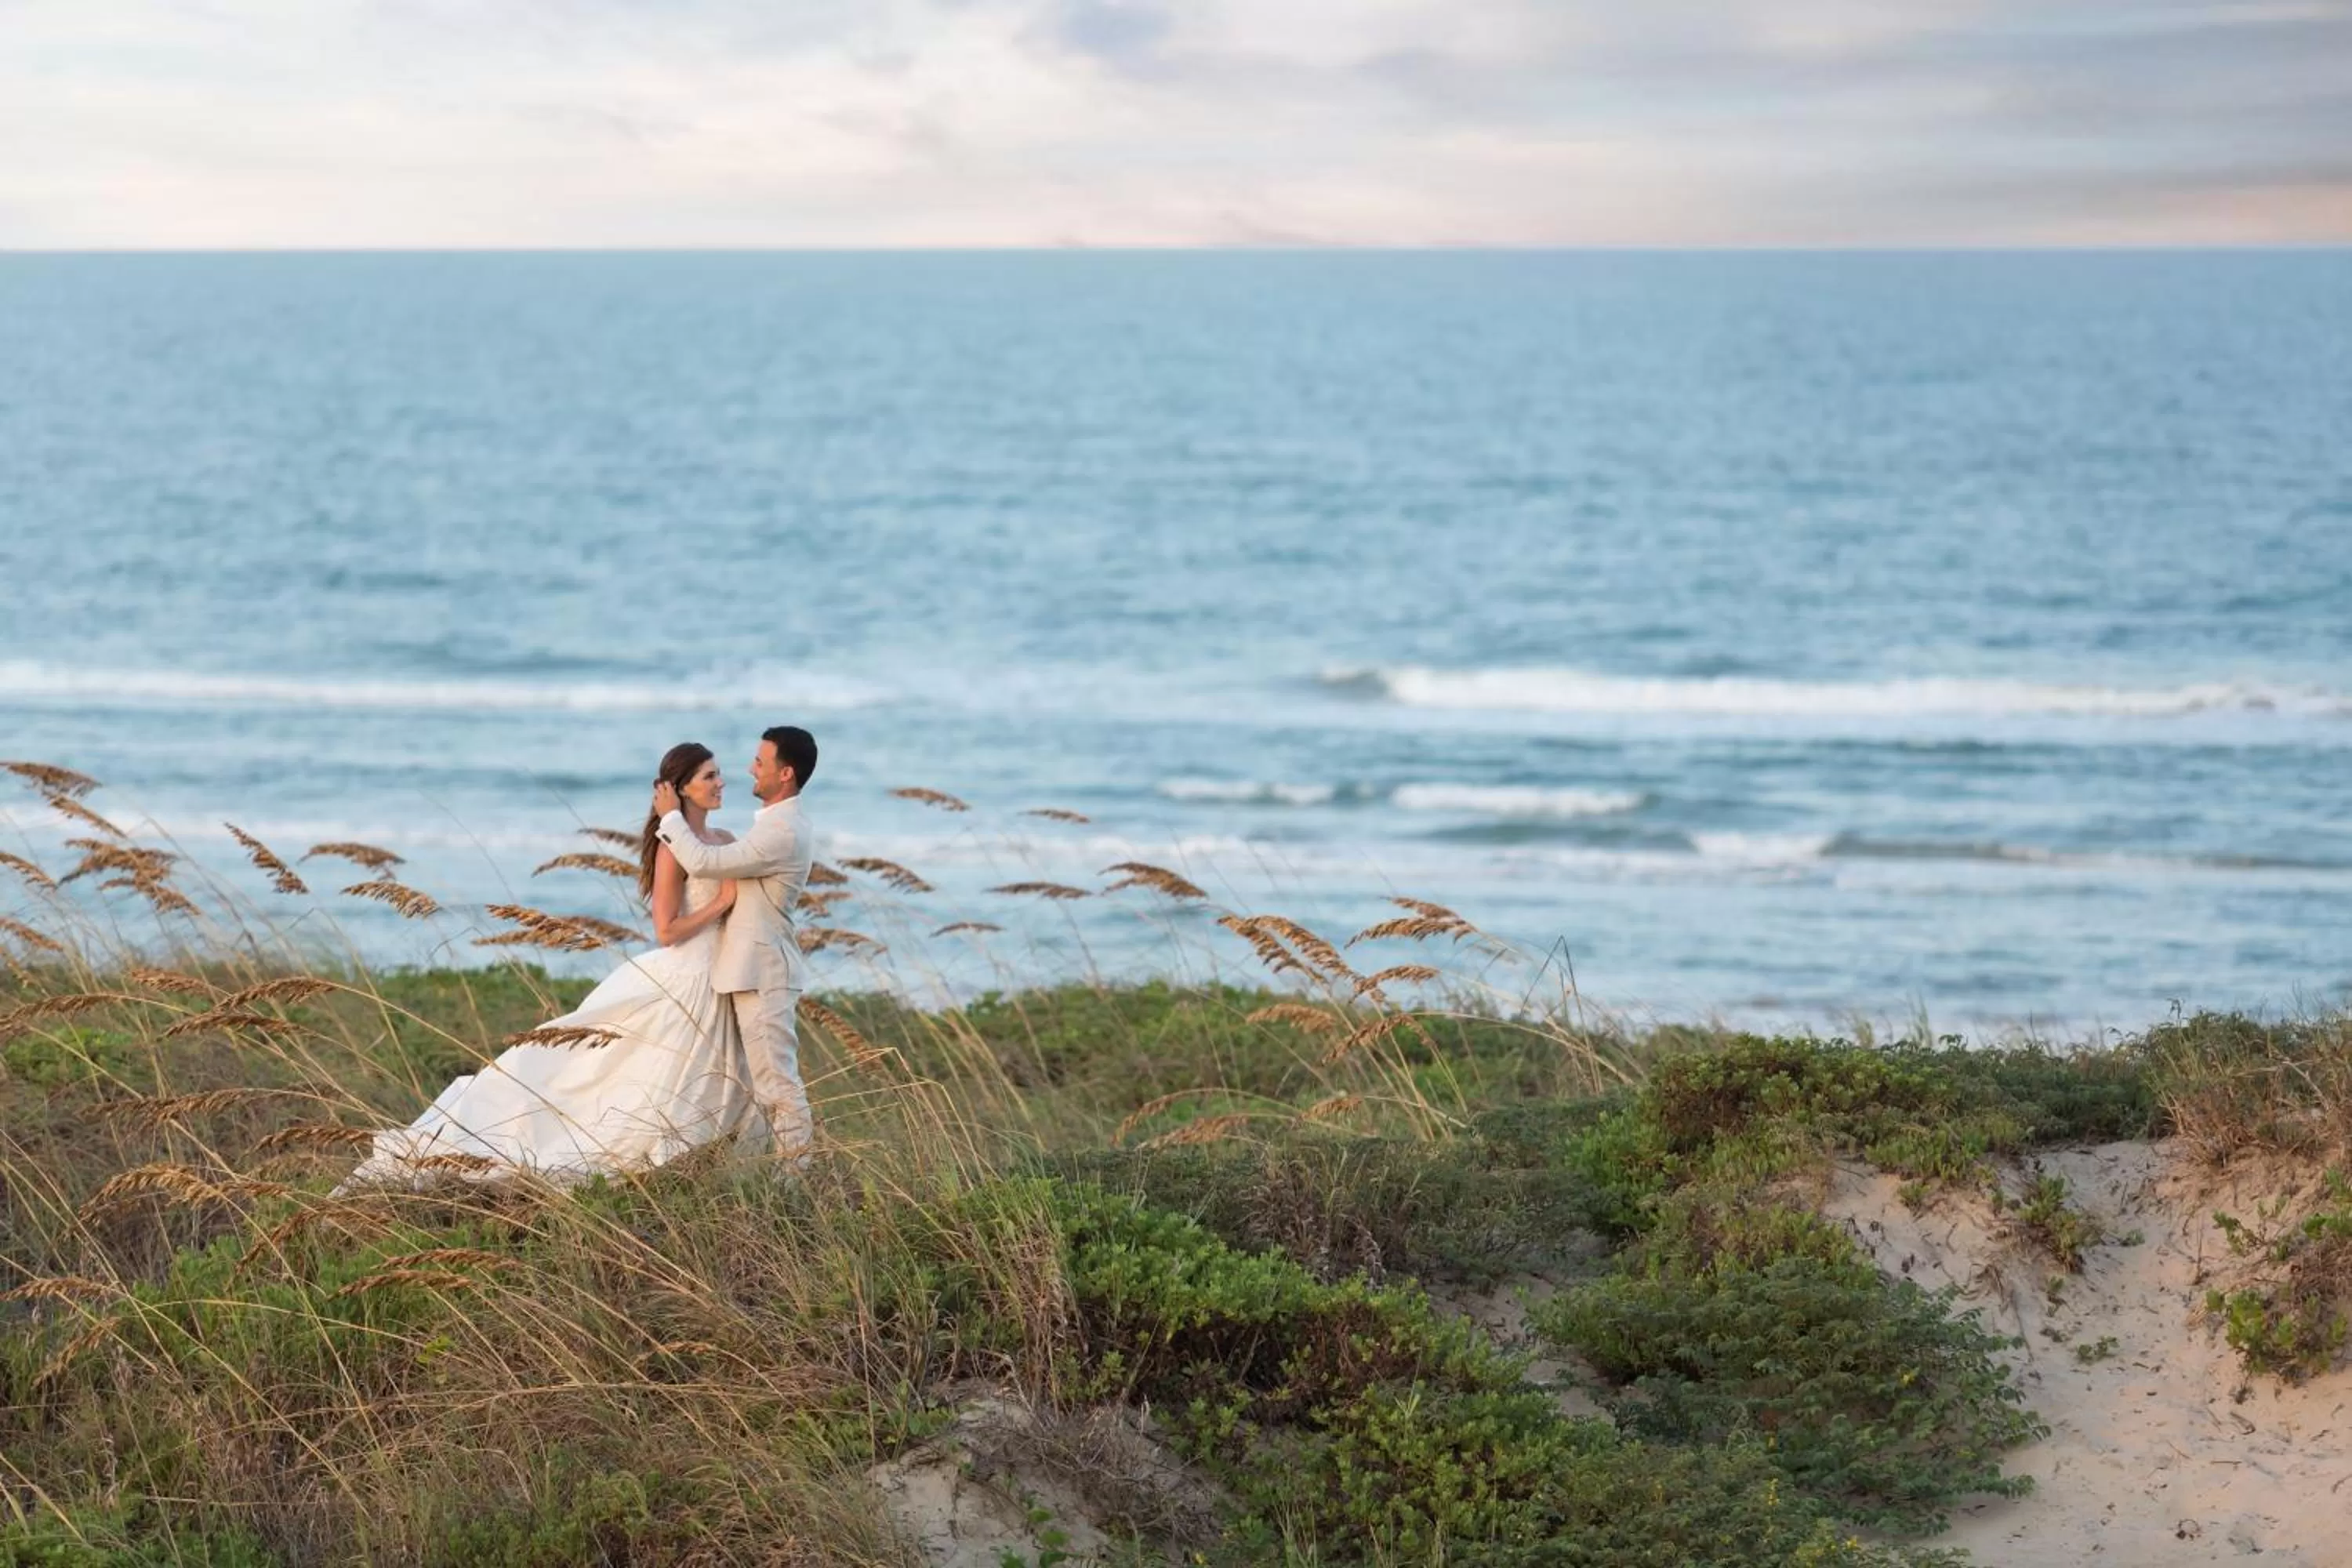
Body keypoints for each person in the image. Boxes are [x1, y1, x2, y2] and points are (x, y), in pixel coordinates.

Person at [340, 742, 766, 1187]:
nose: (721, 783)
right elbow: (666, 930)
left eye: (718, 774)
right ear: (681, 789)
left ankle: (707, 1171)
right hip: (687, 976)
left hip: (721, 976)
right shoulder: (670, 848)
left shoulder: (726, 841)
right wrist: (721, 903)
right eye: (709, 777)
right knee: (629, 1082)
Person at [650, 724, 816, 1162]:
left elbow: (706, 863)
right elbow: (669, 922)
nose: (747, 770)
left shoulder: (778, 832)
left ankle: (795, 1181)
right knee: (752, 1085)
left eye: (760, 762)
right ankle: (768, 1174)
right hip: (727, 972)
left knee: (775, 1085)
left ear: (786, 774)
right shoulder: (764, 830)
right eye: (711, 775)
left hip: (759, 972)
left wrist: (669, 817)